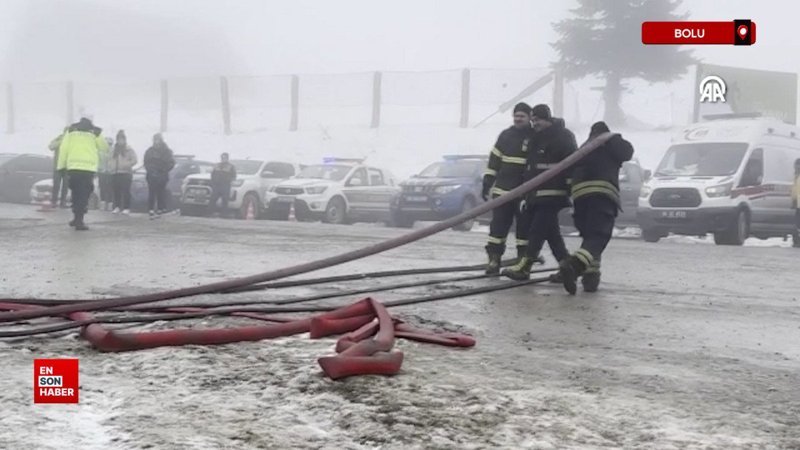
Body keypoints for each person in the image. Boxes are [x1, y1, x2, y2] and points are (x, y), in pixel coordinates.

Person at [555, 121, 634, 294]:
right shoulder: (611, 141)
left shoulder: (584, 147)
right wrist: (614, 138)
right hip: (601, 195)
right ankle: (574, 266)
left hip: (580, 198)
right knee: (599, 236)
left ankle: (591, 277)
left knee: (590, 239)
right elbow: (627, 152)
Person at [502, 104, 576, 281]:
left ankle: (525, 266)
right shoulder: (536, 137)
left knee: (536, 231)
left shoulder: (563, 136)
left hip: (553, 192)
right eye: (533, 120)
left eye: (538, 120)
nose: (535, 123)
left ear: (548, 119)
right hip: (535, 193)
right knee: (551, 233)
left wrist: (569, 188)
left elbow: (572, 163)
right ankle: (567, 266)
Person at [481, 102, 536, 274]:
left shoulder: (535, 136)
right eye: (516, 116)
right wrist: (487, 183)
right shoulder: (505, 135)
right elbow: (494, 161)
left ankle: (522, 262)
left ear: (529, 117)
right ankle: (494, 260)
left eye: (522, 116)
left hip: (524, 193)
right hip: (502, 192)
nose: (518, 119)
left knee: (524, 229)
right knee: (497, 228)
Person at [57, 114, 109, 230]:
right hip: (87, 169)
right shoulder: (94, 132)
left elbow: (64, 148)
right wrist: (99, 134)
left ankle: (76, 218)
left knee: (75, 193)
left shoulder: (71, 131)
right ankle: (79, 220)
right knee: (84, 194)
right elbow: (104, 148)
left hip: (73, 168)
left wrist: (61, 166)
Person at [143, 133, 175, 218]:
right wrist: (151, 170)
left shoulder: (167, 151)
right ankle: (151, 209)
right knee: (151, 192)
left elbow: (171, 163)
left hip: (162, 175)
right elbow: (146, 162)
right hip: (151, 175)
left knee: (161, 192)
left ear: (161, 140)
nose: (156, 142)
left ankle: (161, 208)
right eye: (155, 140)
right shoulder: (149, 151)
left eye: (158, 140)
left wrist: (164, 170)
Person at [109, 130, 138, 215]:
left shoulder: (129, 149)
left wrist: (126, 165)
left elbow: (134, 160)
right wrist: (111, 166)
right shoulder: (113, 150)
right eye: (119, 139)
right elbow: (109, 159)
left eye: (122, 139)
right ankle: (117, 207)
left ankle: (126, 207)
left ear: (125, 140)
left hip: (126, 173)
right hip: (115, 172)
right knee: (116, 191)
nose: (120, 141)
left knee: (126, 191)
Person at [209, 152, 237, 218]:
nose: (223, 159)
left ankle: (224, 214)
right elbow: (212, 174)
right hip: (216, 185)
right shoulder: (216, 165)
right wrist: (213, 182)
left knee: (225, 200)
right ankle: (210, 213)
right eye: (222, 157)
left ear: (227, 158)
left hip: (225, 185)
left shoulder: (231, 166)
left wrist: (229, 180)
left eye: (225, 157)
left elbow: (234, 176)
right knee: (213, 199)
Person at [48, 127, 70, 208]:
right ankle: (54, 201)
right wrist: (62, 141)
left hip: (67, 167)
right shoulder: (59, 138)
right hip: (58, 166)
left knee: (66, 186)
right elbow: (51, 147)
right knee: (56, 185)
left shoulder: (72, 141)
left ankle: (63, 202)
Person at [98, 137, 114, 210]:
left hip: (111, 172)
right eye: (107, 143)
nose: (108, 145)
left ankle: (110, 204)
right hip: (102, 171)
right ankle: (102, 203)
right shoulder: (100, 151)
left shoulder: (114, 152)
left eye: (110, 144)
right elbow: (98, 161)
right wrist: (98, 169)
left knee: (110, 188)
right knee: (102, 188)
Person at [792, 159, 800, 248]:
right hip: (797, 203)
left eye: (797, 165)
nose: (795, 167)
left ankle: (797, 241)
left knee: (797, 223)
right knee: (797, 223)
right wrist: (793, 200)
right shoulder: (796, 176)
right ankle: (796, 241)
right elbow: (795, 190)